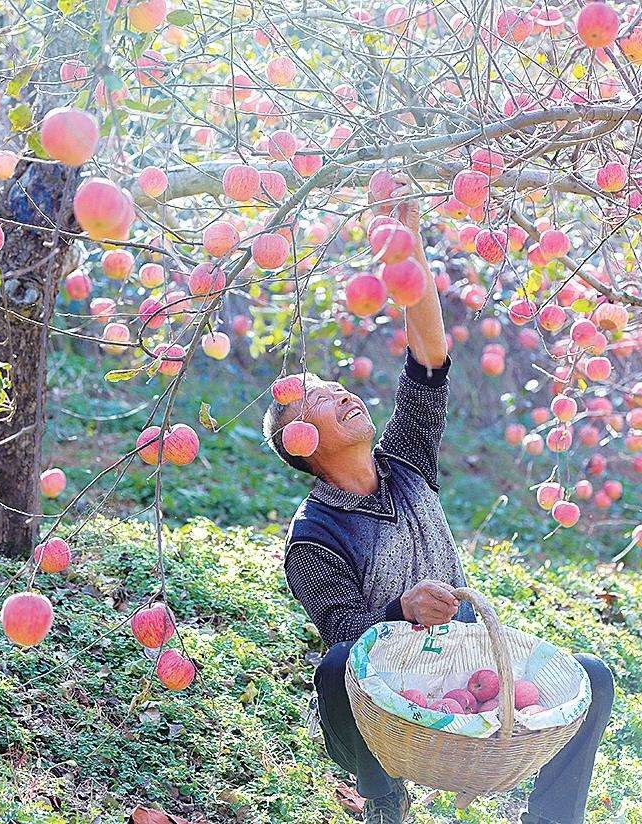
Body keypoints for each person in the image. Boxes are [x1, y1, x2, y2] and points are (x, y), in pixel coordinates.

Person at [263, 178, 614, 824]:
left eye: (336, 386)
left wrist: (408, 244)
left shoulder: (406, 461)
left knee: (591, 678)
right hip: (380, 699)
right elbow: (343, 635)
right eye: (316, 399)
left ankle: (551, 820)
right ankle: (384, 802)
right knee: (338, 666)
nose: (340, 394)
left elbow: (429, 357)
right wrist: (401, 610)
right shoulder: (313, 537)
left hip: (460, 664)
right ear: (299, 441)